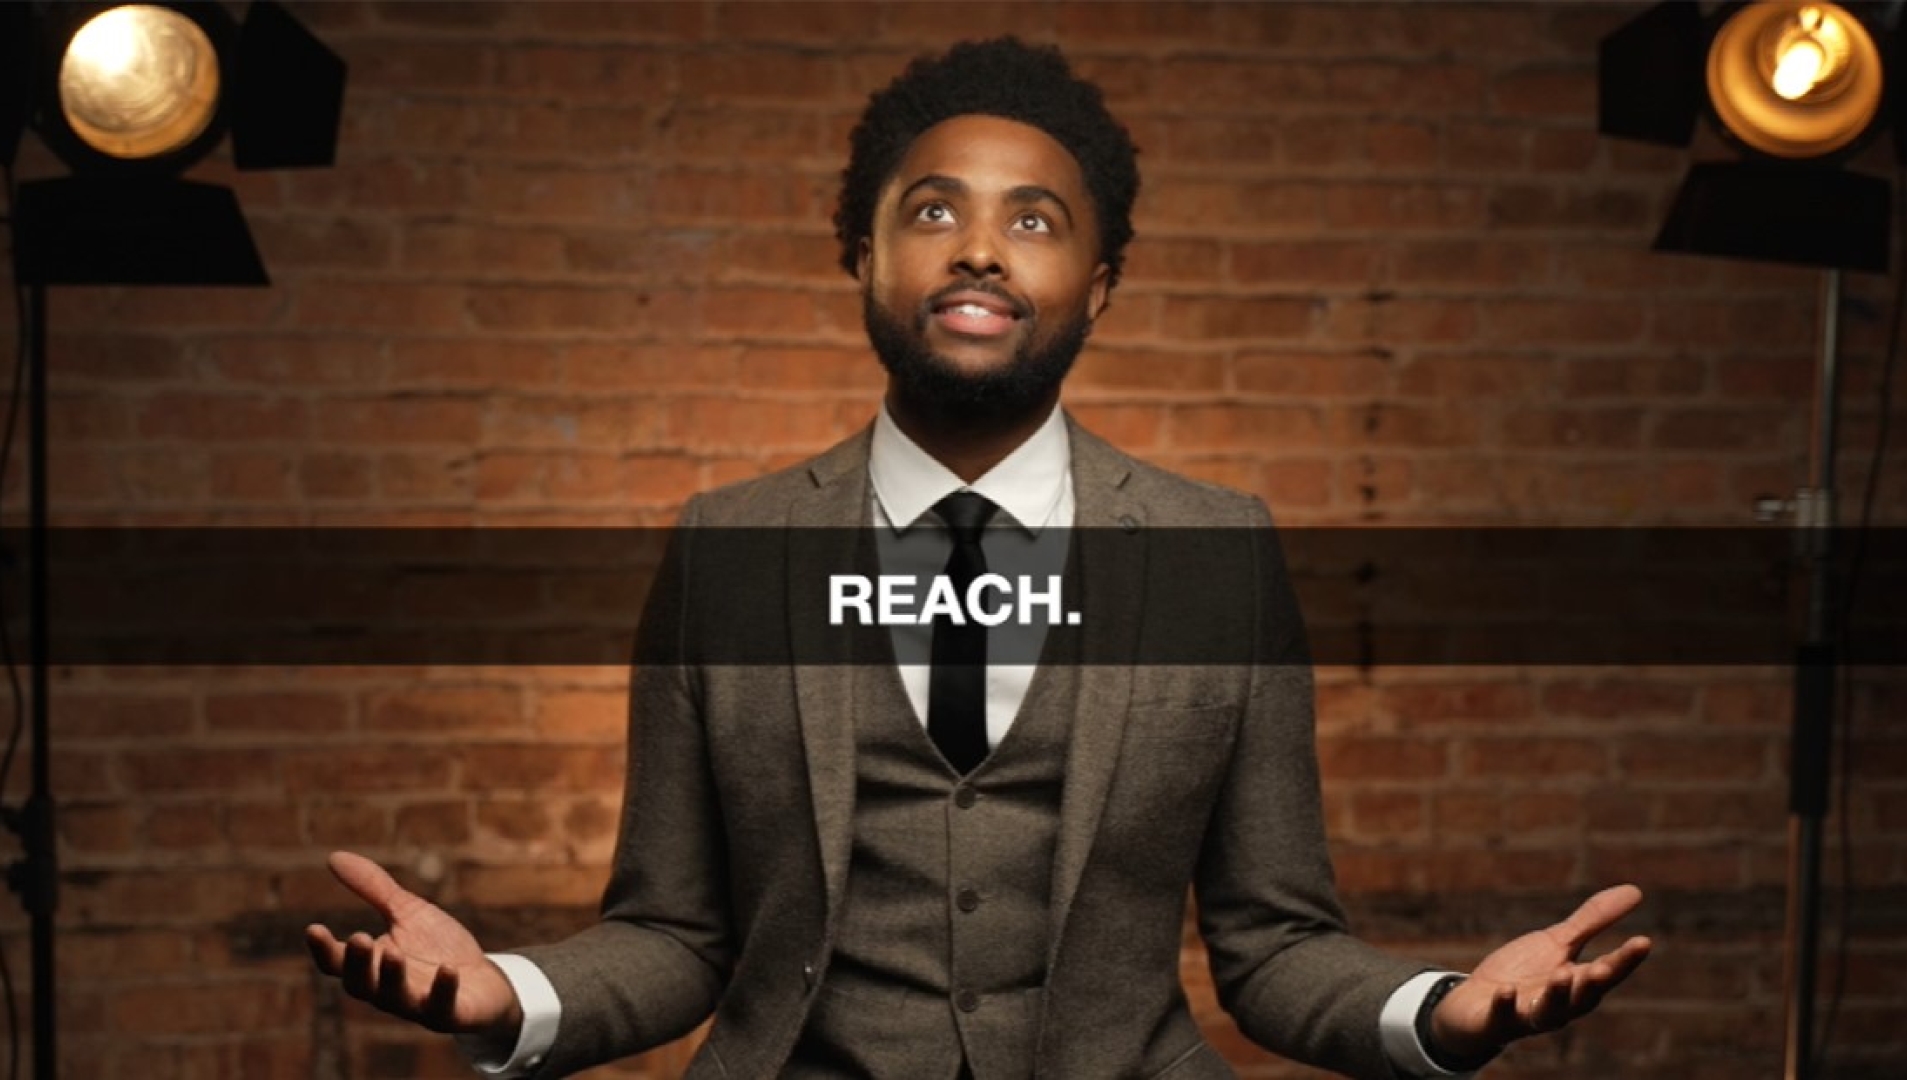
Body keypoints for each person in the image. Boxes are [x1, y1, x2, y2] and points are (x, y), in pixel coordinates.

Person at [307, 38, 1652, 1080]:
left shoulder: (1217, 555)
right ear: (864, 254)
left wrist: (1444, 1015)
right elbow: (679, 935)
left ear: (1101, 286)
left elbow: (1274, 945)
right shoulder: (730, 551)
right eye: (935, 210)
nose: (979, 250)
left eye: (1035, 220)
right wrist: (511, 997)